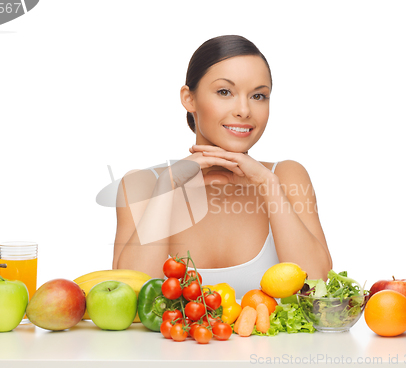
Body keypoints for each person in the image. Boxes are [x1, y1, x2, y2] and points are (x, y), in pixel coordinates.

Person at [113, 35, 332, 298]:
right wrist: (166, 186)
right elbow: (127, 294)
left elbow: (318, 287)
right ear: (188, 99)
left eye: (259, 96)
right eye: (224, 92)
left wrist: (268, 185)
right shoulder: (141, 185)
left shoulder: (285, 177)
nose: (244, 110)